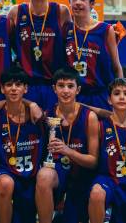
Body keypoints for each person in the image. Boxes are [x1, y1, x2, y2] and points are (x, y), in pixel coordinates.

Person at [35, 67, 99, 223]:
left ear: (78, 90)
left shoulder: (89, 117)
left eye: (70, 86)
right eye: (61, 85)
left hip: (82, 175)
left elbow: (93, 161)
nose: (65, 90)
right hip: (58, 173)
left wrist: (67, 150)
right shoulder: (47, 115)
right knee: (43, 176)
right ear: (54, 89)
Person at [0, 66, 46, 223]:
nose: (14, 89)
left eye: (18, 85)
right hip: (6, 171)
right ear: (2, 89)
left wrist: (33, 105)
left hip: (32, 173)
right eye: (9, 85)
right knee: (5, 183)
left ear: (26, 88)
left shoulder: (36, 114)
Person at [88, 78, 126, 223]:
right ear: (109, 100)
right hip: (109, 180)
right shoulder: (100, 125)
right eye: (117, 93)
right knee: (97, 193)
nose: (121, 97)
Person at [7, 0, 72, 110]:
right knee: (26, 127)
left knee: (53, 126)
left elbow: (72, 43)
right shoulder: (16, 12)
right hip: (25, 87)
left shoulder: (61, 11)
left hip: (54, 86)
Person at [62, 0, 123, 110]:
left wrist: (120, 95)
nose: (78, 2)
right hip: (72, 97)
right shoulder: (65, 28)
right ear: (69, 2)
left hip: (100, 97)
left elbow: (116, 67)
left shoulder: (106, 30)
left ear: (92, 4)